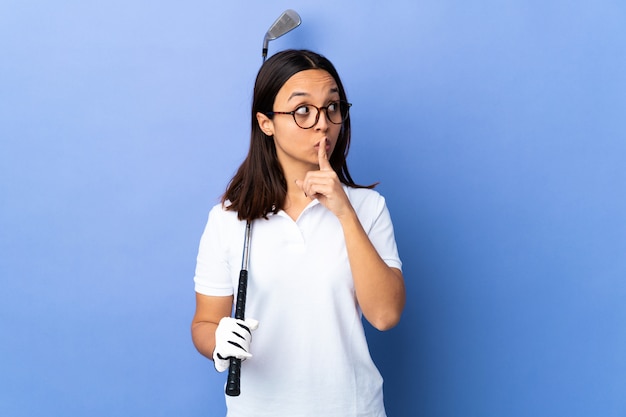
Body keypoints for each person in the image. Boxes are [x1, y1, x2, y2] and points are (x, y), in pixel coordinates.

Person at [191, 49, 405, 417]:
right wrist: (218, 342)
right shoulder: (227, 220)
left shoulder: (369, 207)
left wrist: (344, 212)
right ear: (266, 122)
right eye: (303, 110)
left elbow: (385, 315)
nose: (323, 123)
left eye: (333, 107)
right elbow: (204, 323)